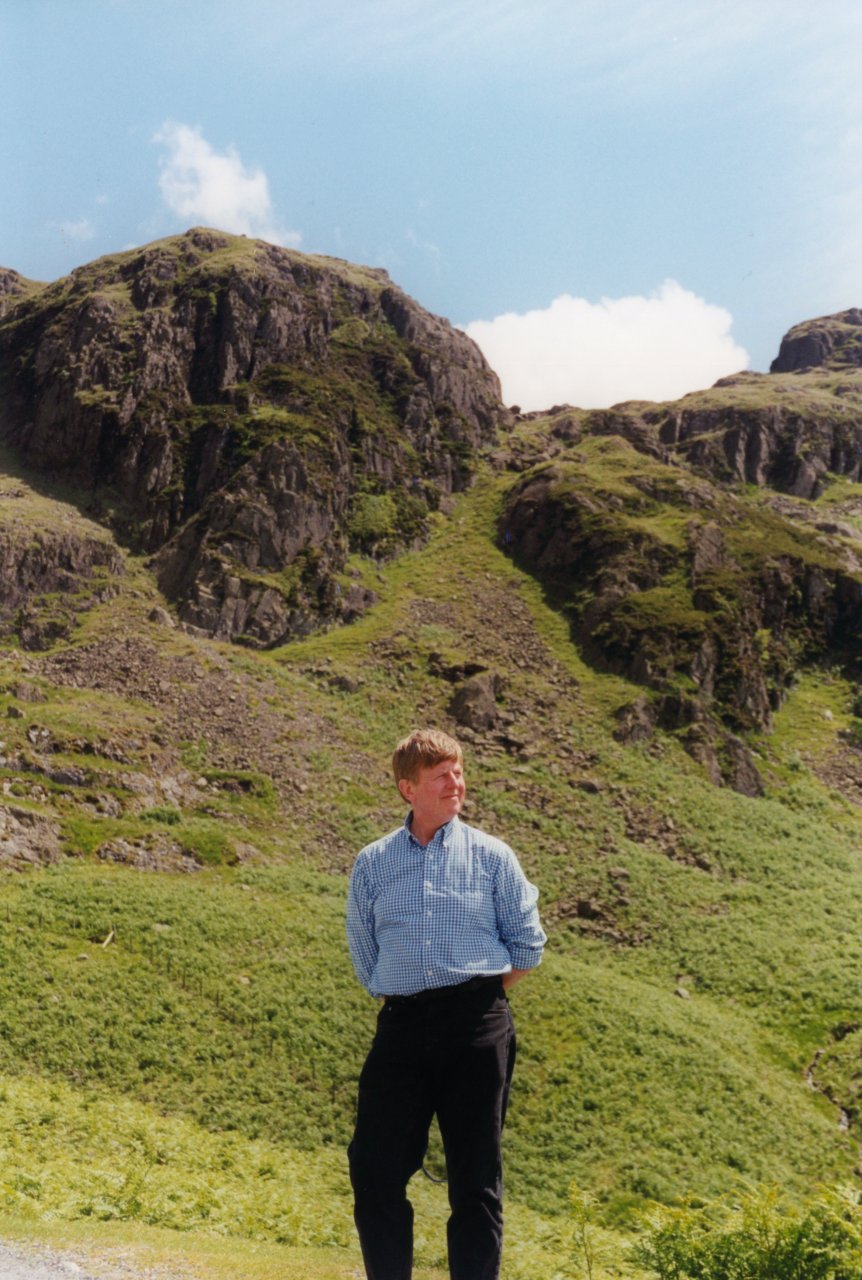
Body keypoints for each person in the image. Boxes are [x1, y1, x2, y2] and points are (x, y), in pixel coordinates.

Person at [346, 727, 546, 1280]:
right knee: (374, 1168)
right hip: (402, 1027)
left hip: (478, 1026)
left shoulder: (492, 856)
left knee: (476, 1180)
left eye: (458, 772)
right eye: (441, 776)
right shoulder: (373, 862)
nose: (456, 783)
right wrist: (414, 999)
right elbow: (364, 950)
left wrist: (474, 999)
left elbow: (528, 946)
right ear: (409, 789)